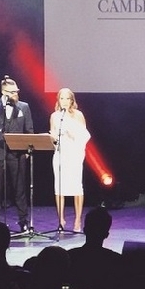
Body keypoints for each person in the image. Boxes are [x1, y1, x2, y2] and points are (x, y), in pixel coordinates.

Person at [0, 75, 34, 232]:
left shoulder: (24, 107)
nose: (16, 94)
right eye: (12, 92)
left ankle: (23, 220)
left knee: (20, 188)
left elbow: (29, 130)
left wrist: (27, 150)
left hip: (18, 154)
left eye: (16, 91)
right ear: (4, 93)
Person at [49, 87, 90, 231]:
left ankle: (78, 220)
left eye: (67, 98)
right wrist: (53, 138)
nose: (65, 101)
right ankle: (61, 219)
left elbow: (85, 135)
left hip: (75, 154)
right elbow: (53, 135)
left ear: (72, 100)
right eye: (62, 98)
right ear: (58, 100)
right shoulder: (55, 116)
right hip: (60, 154)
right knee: (59, 186)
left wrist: (73, 135)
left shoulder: (78, 115)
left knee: (76, 186)